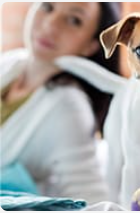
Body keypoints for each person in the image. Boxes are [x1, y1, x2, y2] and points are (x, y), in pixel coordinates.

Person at [0, 2, 121, 204]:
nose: (50, 25)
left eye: (74, 20)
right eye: (47, 7)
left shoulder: (70, 109)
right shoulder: (10, 63)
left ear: (90, 45)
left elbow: (90, 198)